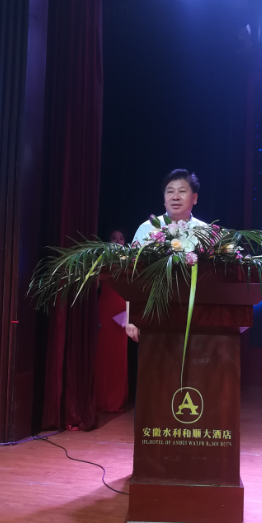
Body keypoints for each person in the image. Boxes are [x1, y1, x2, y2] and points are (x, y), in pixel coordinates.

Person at [127, 169, 204, 342]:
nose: (175, 197)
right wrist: (131, 317)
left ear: (194, 198)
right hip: (152, 314)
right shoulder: (147, 229)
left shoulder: (205, 231)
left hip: (197, 316)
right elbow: (131, 273)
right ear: (164, 198)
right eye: (170, 192)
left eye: (182, 191)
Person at [94, 229, 129, 412]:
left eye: (121, 238)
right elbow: (95, 282)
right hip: (106, 308)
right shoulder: (101, 259)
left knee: (119, 355)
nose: (118, 241)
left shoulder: (130, 260)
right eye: (114, 238)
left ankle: (116, 400)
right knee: (103, 355)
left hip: (123, 308)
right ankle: (101, 400)